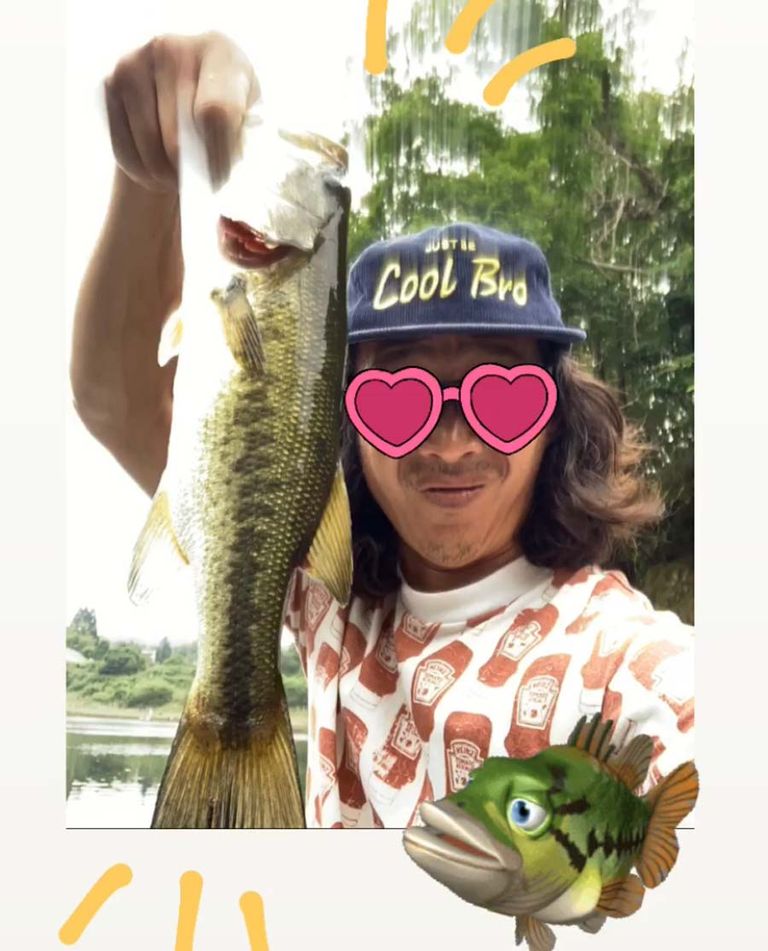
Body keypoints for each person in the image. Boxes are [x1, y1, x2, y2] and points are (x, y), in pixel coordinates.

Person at [71, 32, 694, 829]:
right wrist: (148, 173)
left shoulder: (629, 668)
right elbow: (111, 398)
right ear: (344, 427)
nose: (452, 443)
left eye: (503, 398)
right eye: (398, 400)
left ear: (554, 421)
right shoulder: (331, 602)